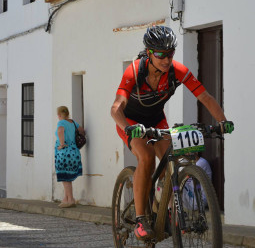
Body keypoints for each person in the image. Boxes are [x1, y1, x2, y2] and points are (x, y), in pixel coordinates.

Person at [111, 26, 234, 240]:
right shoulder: (134, 71)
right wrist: (128, 128)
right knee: (147, 157)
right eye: (161, 54)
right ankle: (140, 218)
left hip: (157, 121)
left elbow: (204, 97)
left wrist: (222, 121)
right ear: (149, 53)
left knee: (175, 159)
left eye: (170, 53)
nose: (166, 60)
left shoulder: (177, 70)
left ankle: (168, 209)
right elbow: (116, 108)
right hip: (132, 122)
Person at [55, 106, 85, 208]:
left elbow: (60, 131)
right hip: (74, 152)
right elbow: (82, 130)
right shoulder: (73, 122)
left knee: (64, 177)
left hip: (65, 152)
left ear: (59, 115)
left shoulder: (61, 123)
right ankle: (66, 198)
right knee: (67, 178)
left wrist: (62, 144)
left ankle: (71, 199)